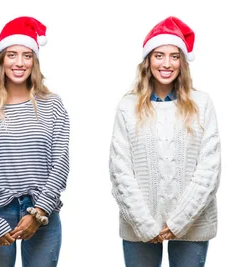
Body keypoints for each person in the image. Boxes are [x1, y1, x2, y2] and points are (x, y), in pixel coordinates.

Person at [109, 16, 220, 267]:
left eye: (174, 56)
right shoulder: (128, 106)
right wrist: (143, 224)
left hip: (193, 223)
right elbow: (120, 170)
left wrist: (179, 220)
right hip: (139, 225)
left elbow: (209, 170)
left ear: (182, 62)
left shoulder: (202, 104)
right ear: (147, 61)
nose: (166, 63)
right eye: (159, 55)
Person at [0, 16, 70, 267]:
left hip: (43, 212)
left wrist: (39, 213)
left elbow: (61, 164)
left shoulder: (53, 106)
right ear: (1, 60)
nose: (19, 63)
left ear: (34, 61)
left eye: (27, 55)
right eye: (12, 55)